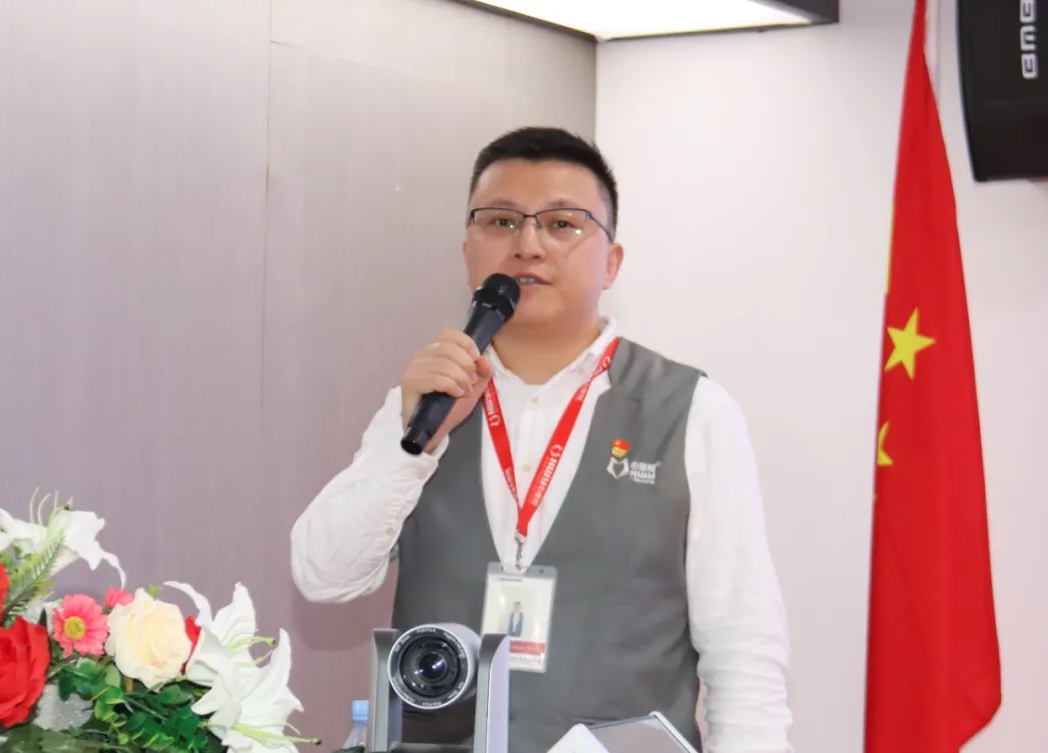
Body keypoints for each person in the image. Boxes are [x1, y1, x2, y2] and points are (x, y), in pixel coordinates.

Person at [290, 126, 792, 753]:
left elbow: (744, 652)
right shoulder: (427, 399)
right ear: (467, 251)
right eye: (501, 221)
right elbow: (324, 576)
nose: (528, 244)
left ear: (612, 262)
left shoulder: (692, 412)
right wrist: (410, 447)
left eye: (561, 224)